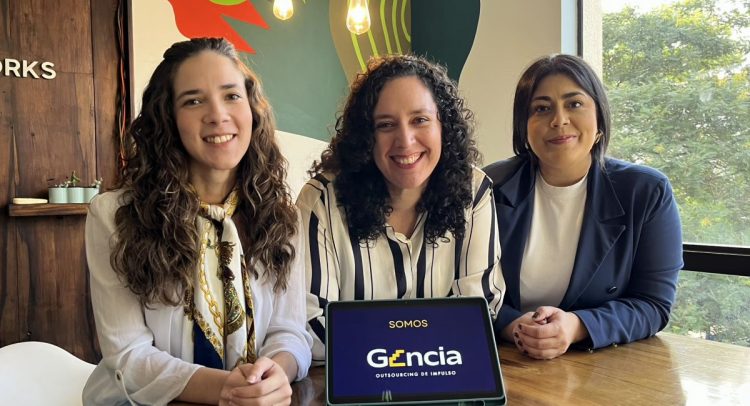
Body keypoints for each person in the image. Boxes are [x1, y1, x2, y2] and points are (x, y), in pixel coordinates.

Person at [83, 37, 312, 405]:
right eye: (193, 101)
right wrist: (227, 388)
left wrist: (275, 375)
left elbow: (290, 331)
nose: (218, 115)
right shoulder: (114, 215)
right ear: (167, 118)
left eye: (231, 96)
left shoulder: (281, 215)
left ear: (252, 109)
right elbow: (128, 354)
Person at [296, 54, 506, 363]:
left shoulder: (473, 191)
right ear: (366, 137)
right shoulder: (320, 201)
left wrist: (384, 347)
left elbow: (480, 311)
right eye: (386, 125)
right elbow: (312, 326)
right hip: (358, 382)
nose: (405, 141)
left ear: (444, 126)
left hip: (445, 379)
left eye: (420, 120)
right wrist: (422, 350)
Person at [484, 54, 683, 360]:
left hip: (600, 366)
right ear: (524, 126)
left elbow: (653, 304)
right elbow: (464, 289)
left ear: (599, 118)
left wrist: (577, 326)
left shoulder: (645, 192)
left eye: (574, 104)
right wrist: (515, 326)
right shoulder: (488, 188)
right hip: (506, 360)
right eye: (541, 108)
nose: (559, 120)